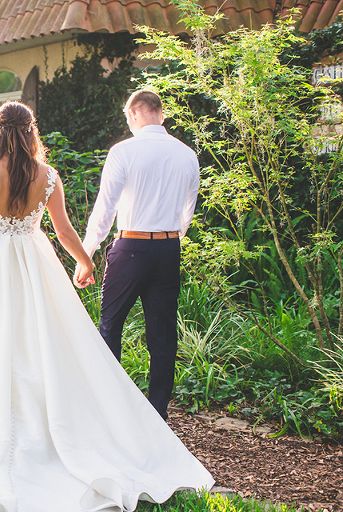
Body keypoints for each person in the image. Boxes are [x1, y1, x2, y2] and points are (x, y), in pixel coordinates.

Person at [0, 101, 212, 512]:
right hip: (33, 262)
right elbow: (64, 230)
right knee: (42, 344)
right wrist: (85, 261)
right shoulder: (47, 175)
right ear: (32, 131)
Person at [75, 90, 200, 421]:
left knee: (110, 327)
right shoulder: (187, 155)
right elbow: (187, 212)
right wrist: (168, 239)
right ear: (161, 114)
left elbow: (105, 209)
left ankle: (108, 408)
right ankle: (157, 415)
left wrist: (86, 254)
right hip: (168, 248)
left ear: (132, 114)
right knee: (162, 335)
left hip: (130, 247)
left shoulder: (123, 152)